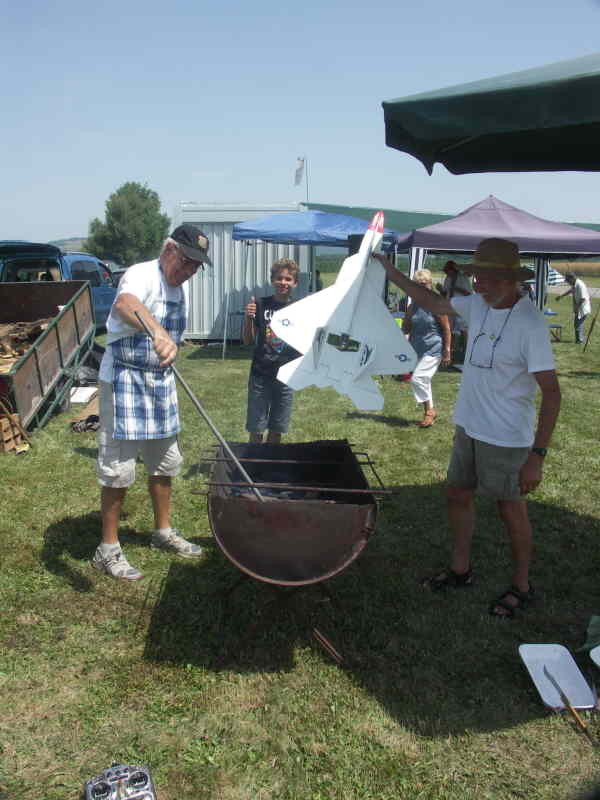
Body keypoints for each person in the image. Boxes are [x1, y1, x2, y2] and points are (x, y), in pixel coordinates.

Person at [374, 238, 561, 618]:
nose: (479, 285)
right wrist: (391, 272)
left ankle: (522, 586)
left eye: (489, 278)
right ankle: (461, 570)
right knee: (457, 496)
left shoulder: (530, 324)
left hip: (507, 438)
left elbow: (553, 395)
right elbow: (432, 301)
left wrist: (536, 457)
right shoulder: (477, 305)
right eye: (477, 277)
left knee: (511, 510)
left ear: (511, 280)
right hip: (469, 428)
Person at [91, 225, 212, 581]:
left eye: (196, 267)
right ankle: (107, 549)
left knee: (164, 463)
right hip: (125, 381)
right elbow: (126, 304)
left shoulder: (180, 288)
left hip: (159, 382)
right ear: (169, 249)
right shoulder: (141, 274)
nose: (189, 271)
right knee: (118, 470)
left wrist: (168, 342)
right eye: (187, 261)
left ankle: (163, 532)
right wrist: (157, 332)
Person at [243, 258, 300, 444]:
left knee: (277, 429)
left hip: (286, 376)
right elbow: (248, 340)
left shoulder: (300, 309)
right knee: (256, 428)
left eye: (288, 279)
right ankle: (252, 468)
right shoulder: (260, 304)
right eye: (279, 278)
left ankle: (269, 467)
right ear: (273, 280)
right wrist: (249, 318)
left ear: (295, 283)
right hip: (260, 374)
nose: (283, 282)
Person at [401, 269, 452, 427]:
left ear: (430, 284)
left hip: (434, 347)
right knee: (424, 380)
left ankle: (430, 410)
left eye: (424, 284)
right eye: (417, 285)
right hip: (417, 347)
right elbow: (406, 328)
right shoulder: (412, 306)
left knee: (418, 378)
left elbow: (446, 329)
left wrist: (447, 351)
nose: (421, 287)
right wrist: (406, 320)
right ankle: (428, 413)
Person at [556, 272, 591, 344]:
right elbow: (570, 291)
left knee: (578, 324)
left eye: (568, 281)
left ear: (572, 278)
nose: (568, 282)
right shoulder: (575, 284)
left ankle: (580, 340)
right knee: (577, 324)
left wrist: (576, 308)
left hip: (583, 308)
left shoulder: (580, 285)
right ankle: (579, 339)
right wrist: (561, 296)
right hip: (579, 308)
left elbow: (583, 298)